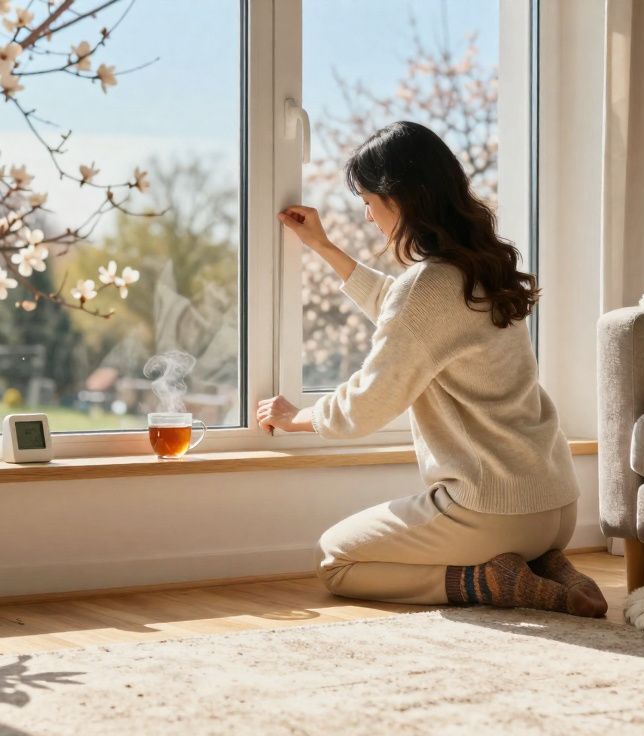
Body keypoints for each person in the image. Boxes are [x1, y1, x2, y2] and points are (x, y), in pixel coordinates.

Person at [258, 121, 606, 617]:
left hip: (491, 512)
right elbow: (402, 310)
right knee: (356, 552)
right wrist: (325, 247)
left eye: (367, 201)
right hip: (556, 504)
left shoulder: (425, 287)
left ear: (396, 200)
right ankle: (544, 564)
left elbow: (366, 406)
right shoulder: (481, 270)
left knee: (335, 560)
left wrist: (296, 418)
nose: (368, 214)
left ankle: (493, 581)